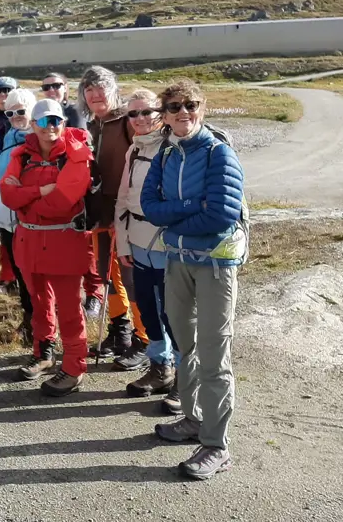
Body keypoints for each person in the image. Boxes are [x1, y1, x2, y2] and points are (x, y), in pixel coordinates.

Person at [142, 80, 245, 481]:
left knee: (214, 354)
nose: (183, 113)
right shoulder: (165, 155)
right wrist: (187, 209)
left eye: (190, 105)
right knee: (186, 345)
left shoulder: (220, 153)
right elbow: (151, 207)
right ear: (164, 115)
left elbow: (221, 214)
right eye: (174, 107)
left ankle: (217, 446)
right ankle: (193, 418)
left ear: (201, 109)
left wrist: (176, 223)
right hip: (178, 262)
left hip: (216, 266)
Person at [0, 100, 94, 396]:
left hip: (64, 242)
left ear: (64, 122)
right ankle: (44, 353)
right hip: (29, 243)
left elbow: (63, 200)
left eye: (55, 120)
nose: (50, 126)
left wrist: (25, 199)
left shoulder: (76, 153)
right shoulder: (21, 154)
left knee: (68, 309)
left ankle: (73, 368)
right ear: (33, 124)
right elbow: (6, 195)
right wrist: (39, 191)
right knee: (39, 303)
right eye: (43, 121)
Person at [78, 65, 149, 371]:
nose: (95, 94)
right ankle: (120, 330)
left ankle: (145, 338)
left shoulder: (127, 122)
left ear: (113, 89)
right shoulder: (91, 126)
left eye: (101, 88)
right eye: (89, 90)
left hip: (129, 214)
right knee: (109, 275)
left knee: (132, 277)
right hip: (101, 214)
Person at [114, 89, 178, 402]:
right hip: (139, 242)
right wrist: (123, 242)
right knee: (149, 311)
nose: (139, 119)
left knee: (174, 313)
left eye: (146, 112)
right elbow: (124, 199)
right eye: (133, 114)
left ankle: (185, 378)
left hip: (167, 244)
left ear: (160, 112)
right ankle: (160, 367)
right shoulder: (134, 149)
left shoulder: (174, 146)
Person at [0, 87, 36, 341]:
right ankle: (29, 320)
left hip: (34, 223)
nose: (15, 116)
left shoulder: (40, 140)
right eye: (10, 112)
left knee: (35, 274)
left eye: (21, 111)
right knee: (19, 272)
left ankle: (41, 324)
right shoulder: (4, 139)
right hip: (7, 222)